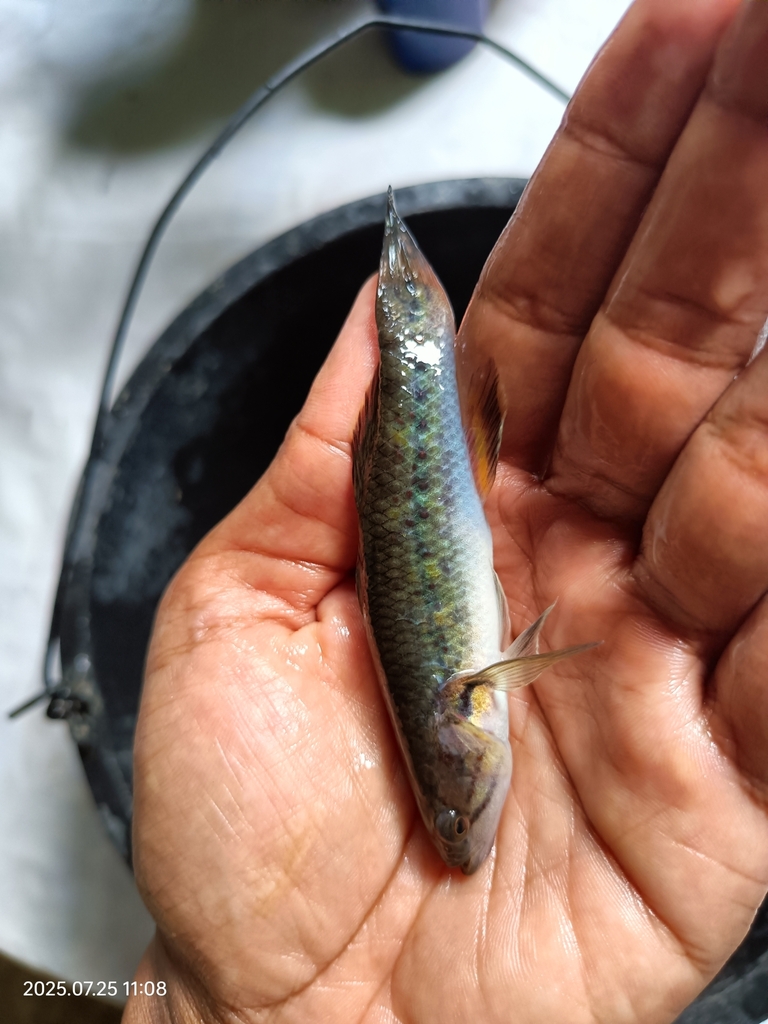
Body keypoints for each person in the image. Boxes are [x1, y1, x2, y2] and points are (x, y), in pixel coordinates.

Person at [122, 0, 768, 1020]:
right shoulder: (475, 719)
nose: (462, 824)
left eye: (448, 803)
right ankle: (413, 317)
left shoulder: (474, 703)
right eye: (453, 810)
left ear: (462, 731)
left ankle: (413, 325)